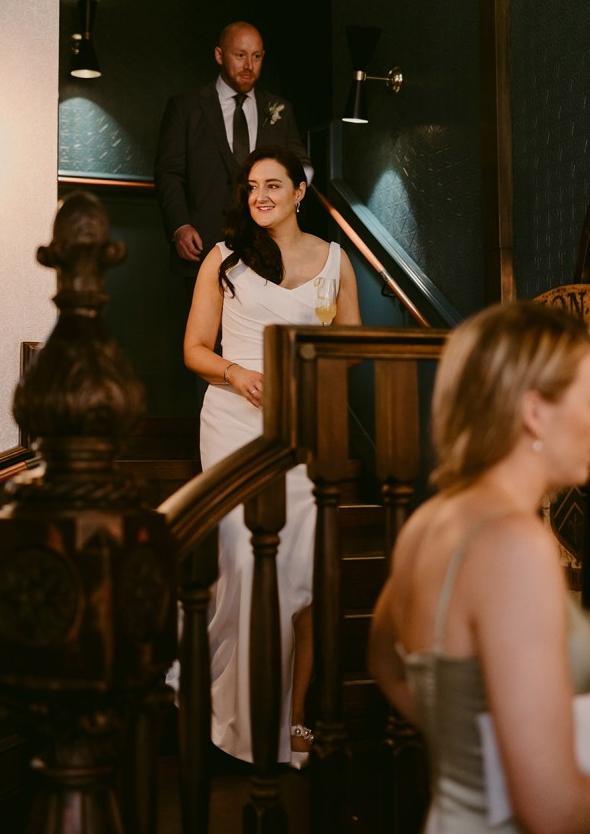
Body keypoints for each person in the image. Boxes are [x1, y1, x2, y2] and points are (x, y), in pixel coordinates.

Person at [368, 300, 590, 834]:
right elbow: (552, 809)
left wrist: (471, 753)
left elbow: (386, 665)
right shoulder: (515, 545)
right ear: (535, 412)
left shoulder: (429, 521)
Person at [183, 145, 361, 768]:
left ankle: (297, 718)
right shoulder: (225, 259)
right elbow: (195, 349)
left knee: (299, 576)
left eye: (273, 185)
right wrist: (237, 374)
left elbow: (353, 349)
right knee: (238, 563)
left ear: (300, 192)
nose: (259, 195)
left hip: (301, 429)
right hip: (232, 421)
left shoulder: (335, 260)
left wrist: (311, 377)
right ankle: (216, 707)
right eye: (252, 186)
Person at [154, 21, 311, 281]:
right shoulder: (186, 107)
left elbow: (300, 166)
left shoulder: (280, 109)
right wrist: (179, 226)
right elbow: (168, 173)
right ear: (219, 55)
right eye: (240, 56)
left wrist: (287, 204)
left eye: (256, 56)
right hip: (201, 243)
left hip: (265, 245)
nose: (249, 66)